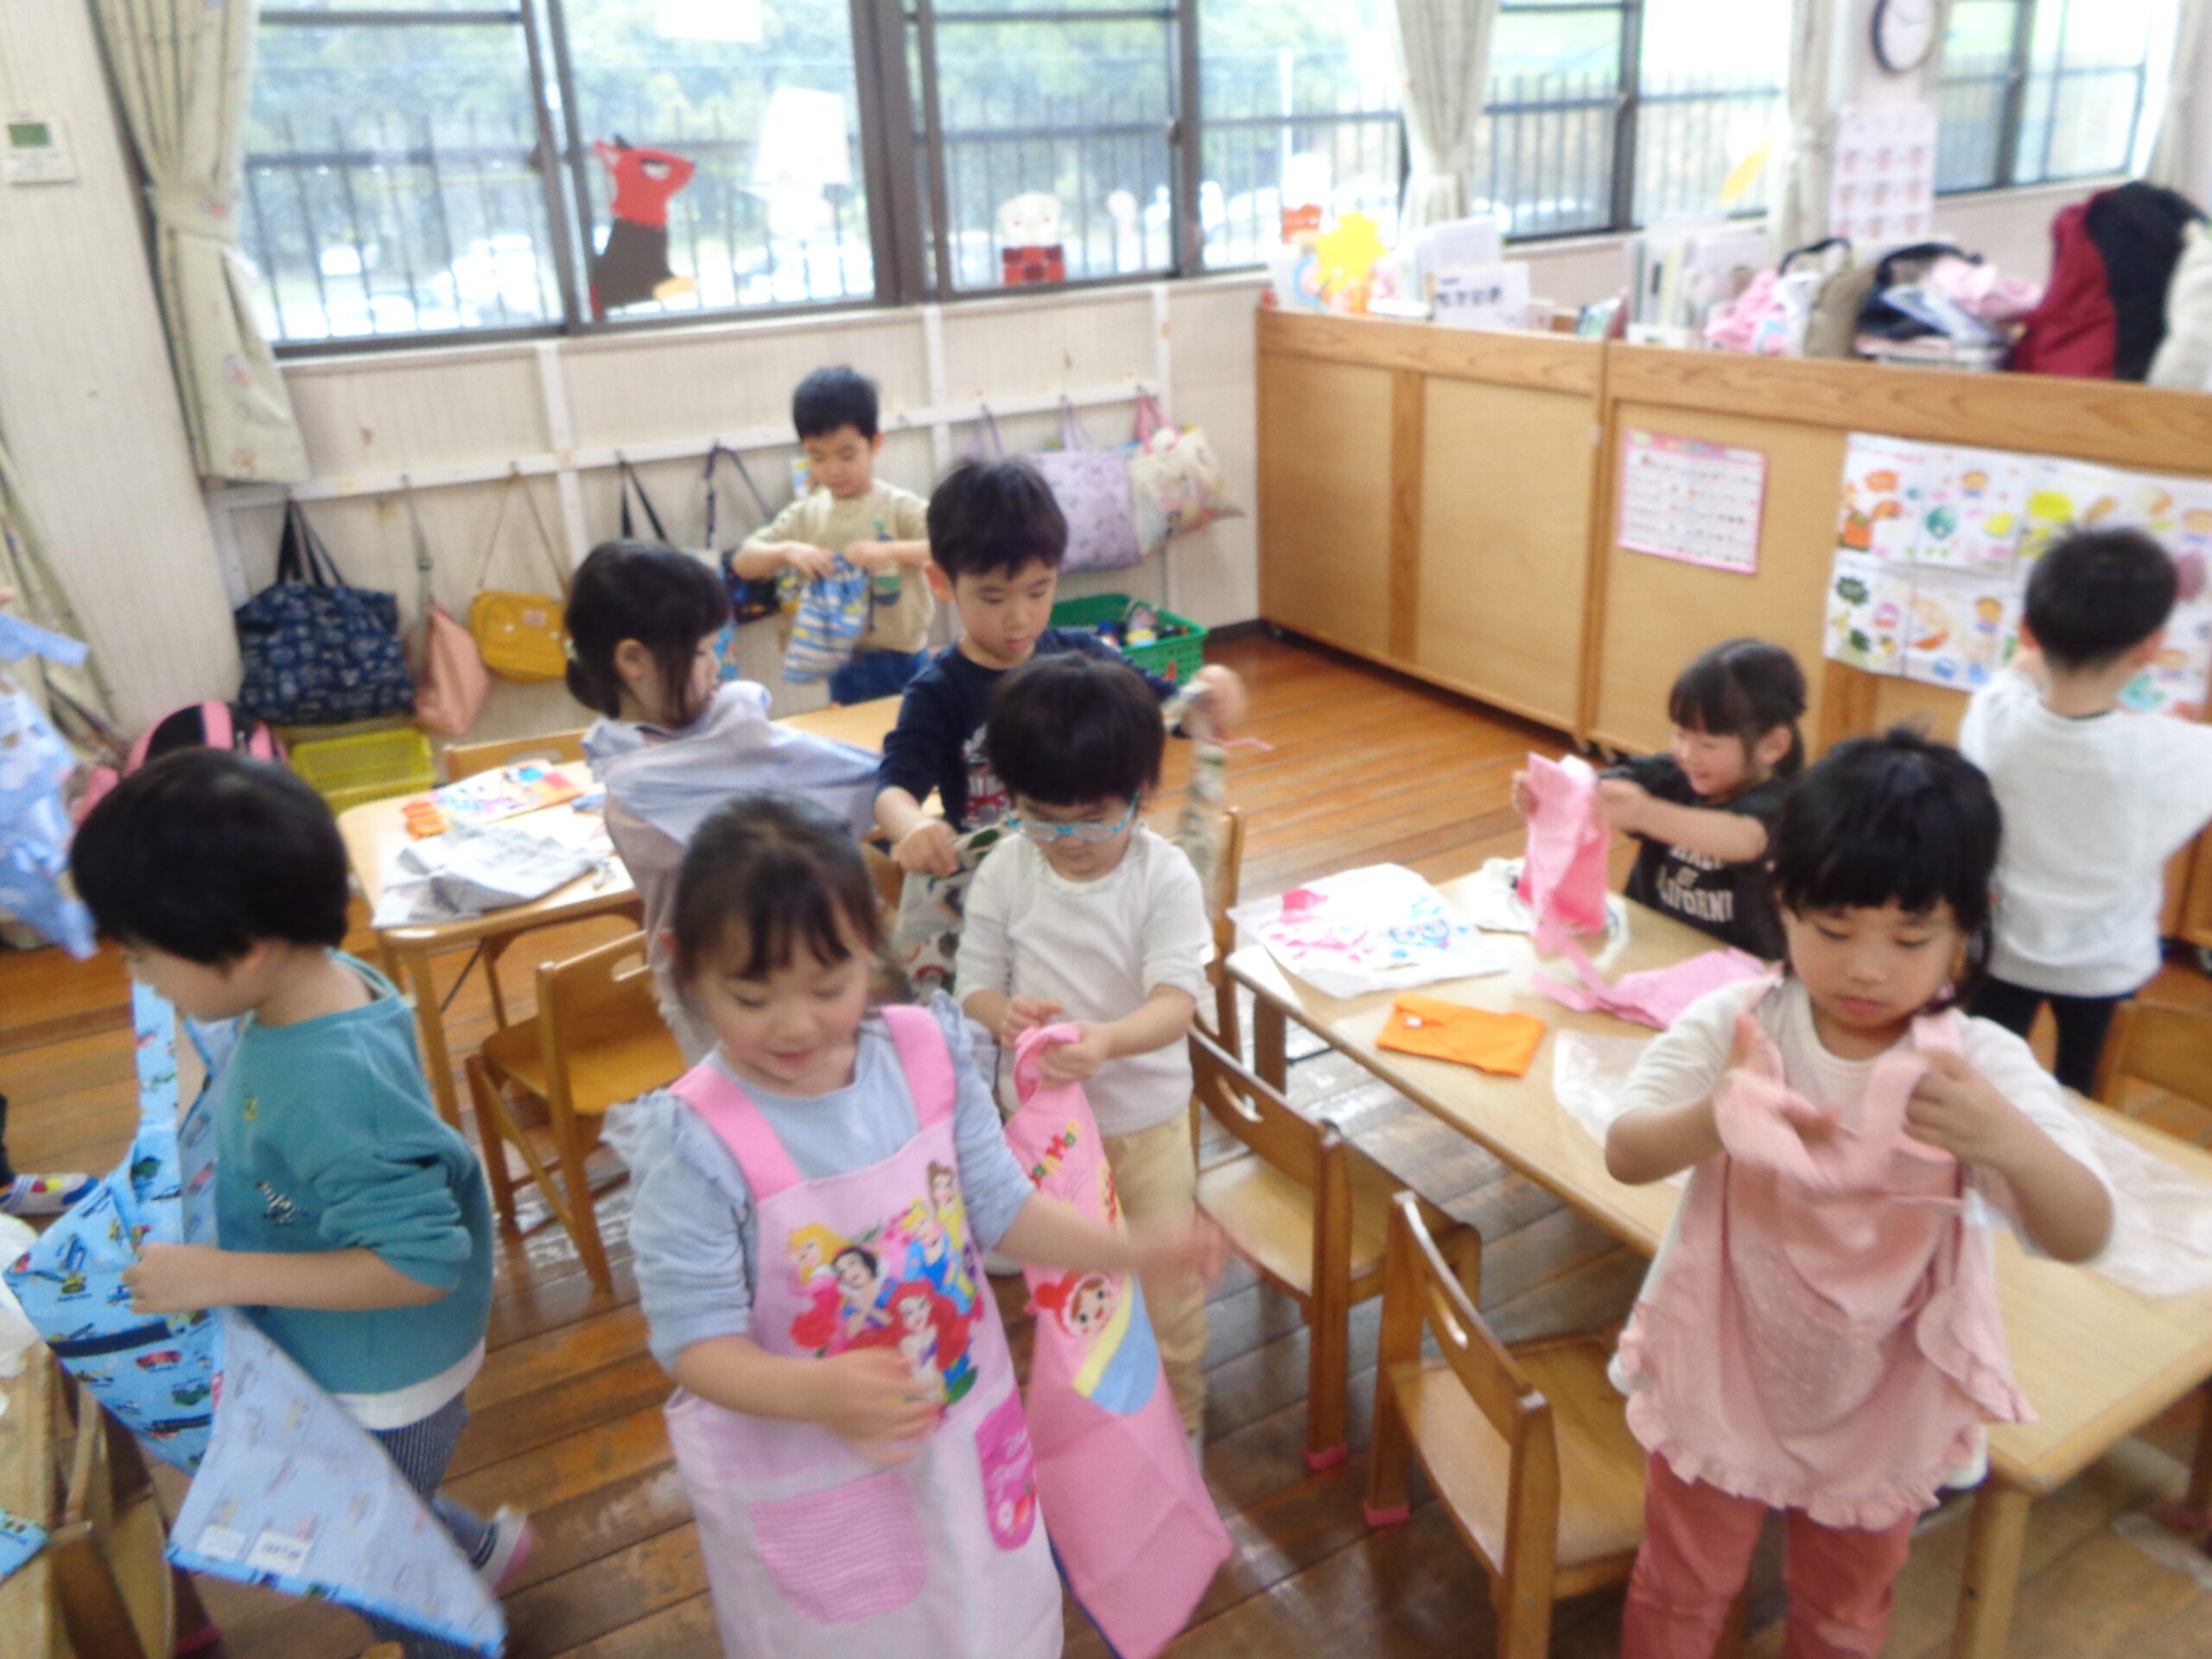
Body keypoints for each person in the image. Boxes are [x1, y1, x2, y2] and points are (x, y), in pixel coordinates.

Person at [604, 791, 1220, 1658]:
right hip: (811, 1462)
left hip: (964, 1436)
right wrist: (820, 1393)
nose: (796, 1024)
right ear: (685, 965)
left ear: (871, 942)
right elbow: (692, 1344)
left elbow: (1000, 1209)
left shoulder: (925, 1053)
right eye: (750, 995)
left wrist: (1130, 1248)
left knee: (990, 1620)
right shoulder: (694, 1141)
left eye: (828, 986)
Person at [1599, 730, 2113, 1659]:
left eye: (1911, 939)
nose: (1868, 968)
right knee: (1681, 1589)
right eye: (1834, 931)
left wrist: (2009, 1142)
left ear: (1968, 929)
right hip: (1722, 1367)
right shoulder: (1736, 1024)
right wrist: (1715, 1115)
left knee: (1844, 1612)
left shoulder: (1978, 1069)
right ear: (1783, 903)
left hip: (1884, 1400)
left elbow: (2083, 1231)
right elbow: (1626, 1152)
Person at [70, 750, 525, 1658]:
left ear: (247, 950)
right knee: (385, 1498)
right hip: (360, 1342)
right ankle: (478, 1550)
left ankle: (445, 1637)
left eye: (144, 955)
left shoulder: (322, 1082)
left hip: (385, 1372)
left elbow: (418, 1262)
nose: (141, 976)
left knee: (371, 1547)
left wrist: (218, 1274)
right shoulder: (314, 987)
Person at [957, 653, 1214, 1444]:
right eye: (1043, 816)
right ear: (1010, 797)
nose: (1070, 840)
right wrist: (1005, 1014)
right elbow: (974, 985)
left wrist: (1107, 1040)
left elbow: (1176, 1003)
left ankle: (1182, 1424)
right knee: (1071, 1288)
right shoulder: (1007, 867)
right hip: (1046, 1134)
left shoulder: (1162, 877)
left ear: (1141, 792)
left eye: (1097, 816)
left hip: (1144, 1124)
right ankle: (1102, 1424)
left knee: (1164, 1291)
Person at [567, 540, 878, 1061]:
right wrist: (744, 740)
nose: (717, 670)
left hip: (797, 969)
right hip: (723, 993)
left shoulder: (713, 738)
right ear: (632, 659)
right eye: (700, 653)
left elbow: (812, 773)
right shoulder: (639, 792)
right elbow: (768, 845)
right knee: (755, 1093)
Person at [874, 457, 1246, 877]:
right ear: (942, 581)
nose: (1019, 619)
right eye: (993, 598)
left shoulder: (1085, 658)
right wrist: (913, 825)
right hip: (999, 885)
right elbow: (893, 789)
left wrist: (1212, 695)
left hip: (1092, 865)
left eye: (1038, 591)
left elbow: (1177, 714)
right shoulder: (939, 691)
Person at [1960, 528, 2212, 1094]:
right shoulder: (2178, 754)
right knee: (2085, 1099)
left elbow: (2017, 672)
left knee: (1982, 1084)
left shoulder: (1993, 719)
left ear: (2029, 631)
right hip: (2106, 967)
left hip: (2000, 953)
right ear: (2150, 647)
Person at [1514, 638, 1806, 959]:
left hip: (1736, 971)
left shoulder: (1783, 803)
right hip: (1649, 945)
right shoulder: (1673, 775)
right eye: (1681, 734)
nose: (1687, 754)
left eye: (1708, 744)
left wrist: (1645, 814)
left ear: (1771, 747)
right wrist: (1558, 794)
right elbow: (1604, 786)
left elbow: (1746, 839)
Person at [729, 365, 937, 704]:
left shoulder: (898, 506)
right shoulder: (808, 514)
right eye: (817, 456)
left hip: (904, 657)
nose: (833, 469)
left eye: (847, 454)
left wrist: (890, 551)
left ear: (875, 443)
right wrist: (788, 551)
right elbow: (744, 561)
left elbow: (948, 546)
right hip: (843, 664)